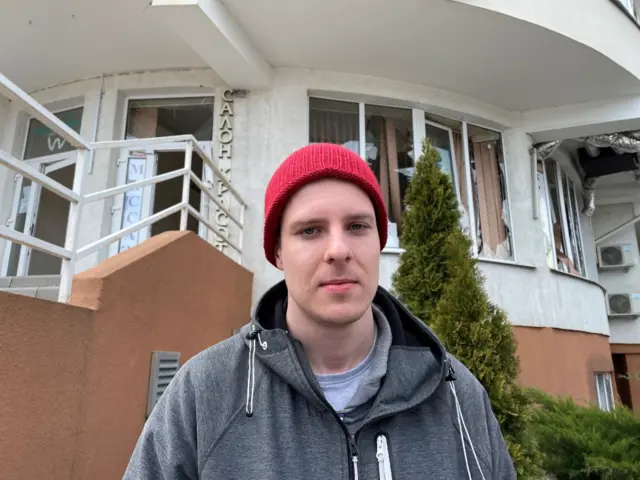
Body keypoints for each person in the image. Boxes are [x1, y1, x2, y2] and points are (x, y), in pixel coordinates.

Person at [123, 143, 516, 479]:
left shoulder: (456, 394)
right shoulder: (203, 393)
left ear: (378, 240)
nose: (338, 250)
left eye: (358, 226)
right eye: (310, 230)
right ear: (277, 252)